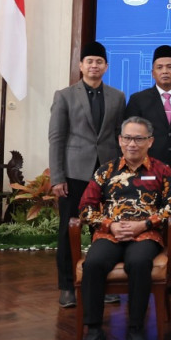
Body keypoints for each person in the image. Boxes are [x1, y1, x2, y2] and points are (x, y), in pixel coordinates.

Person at [72, 116, 171, 340]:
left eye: (139, 139)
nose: (132, 144)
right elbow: (85, 208)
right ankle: (94, 334)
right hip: (110, 234)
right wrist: (110, 225)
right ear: (119, 140)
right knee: (94, 263)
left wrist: (145, 224)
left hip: (146, 234)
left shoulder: (162, 170)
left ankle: (135, 332)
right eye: (128, 138)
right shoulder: (106, 171)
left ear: (150, 142)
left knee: (139, 263)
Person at [49, 41, 125, 309]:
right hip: (74, 175)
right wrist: (57, 177)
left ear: (106, 66)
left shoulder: (118, 97)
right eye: (89, 61)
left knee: (104, 232)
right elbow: (56, 138)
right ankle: (67, 286)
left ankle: (102, 284)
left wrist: (122, 174)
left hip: (107, 175)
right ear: (81, 66)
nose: (94, 66)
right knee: (68, 231)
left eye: (99, 62)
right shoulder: (65, 96)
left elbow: (119, 137)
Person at [124, 45, 171, 295]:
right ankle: (143, 274)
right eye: (160, 67)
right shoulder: (138, 100)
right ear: (152, 72)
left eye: (170, 67)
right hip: (145, 175)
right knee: (146, 223)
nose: (165, 71)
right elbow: (130, 138)